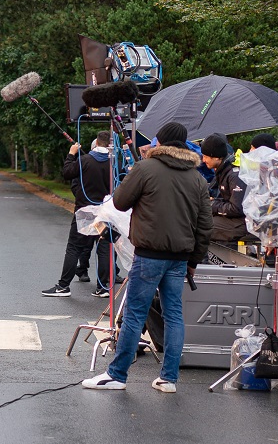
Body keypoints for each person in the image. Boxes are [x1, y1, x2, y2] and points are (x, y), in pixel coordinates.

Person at [81, 121, 212, 394]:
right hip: (180, 257)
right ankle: (168, 379)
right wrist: (193, 262)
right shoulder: (197, 178)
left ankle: (117, 375)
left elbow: (119, 202)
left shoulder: (145, 168)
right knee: (174, 315)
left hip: (150, 253)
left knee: (134, 314)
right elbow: (204, 225)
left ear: (159, 143)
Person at [45, 133, 114, 297]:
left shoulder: (85, 161)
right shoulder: (113, 163)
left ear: (96, 143)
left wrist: (71, 153)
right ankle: (102, 287)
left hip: (85, 211)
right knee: (104, 248)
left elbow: (67, 172)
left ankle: (63, 286)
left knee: (74, 248)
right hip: (105, 212)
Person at [201, 134, 250, 250]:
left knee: (200, 226)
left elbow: (237, 208)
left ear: (217, 157)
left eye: (206, 156)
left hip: (243, 223)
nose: (203, 160)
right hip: (235, 219)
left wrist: (213, 205)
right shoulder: (223, 171)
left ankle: (202, 263)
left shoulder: (233, 175)